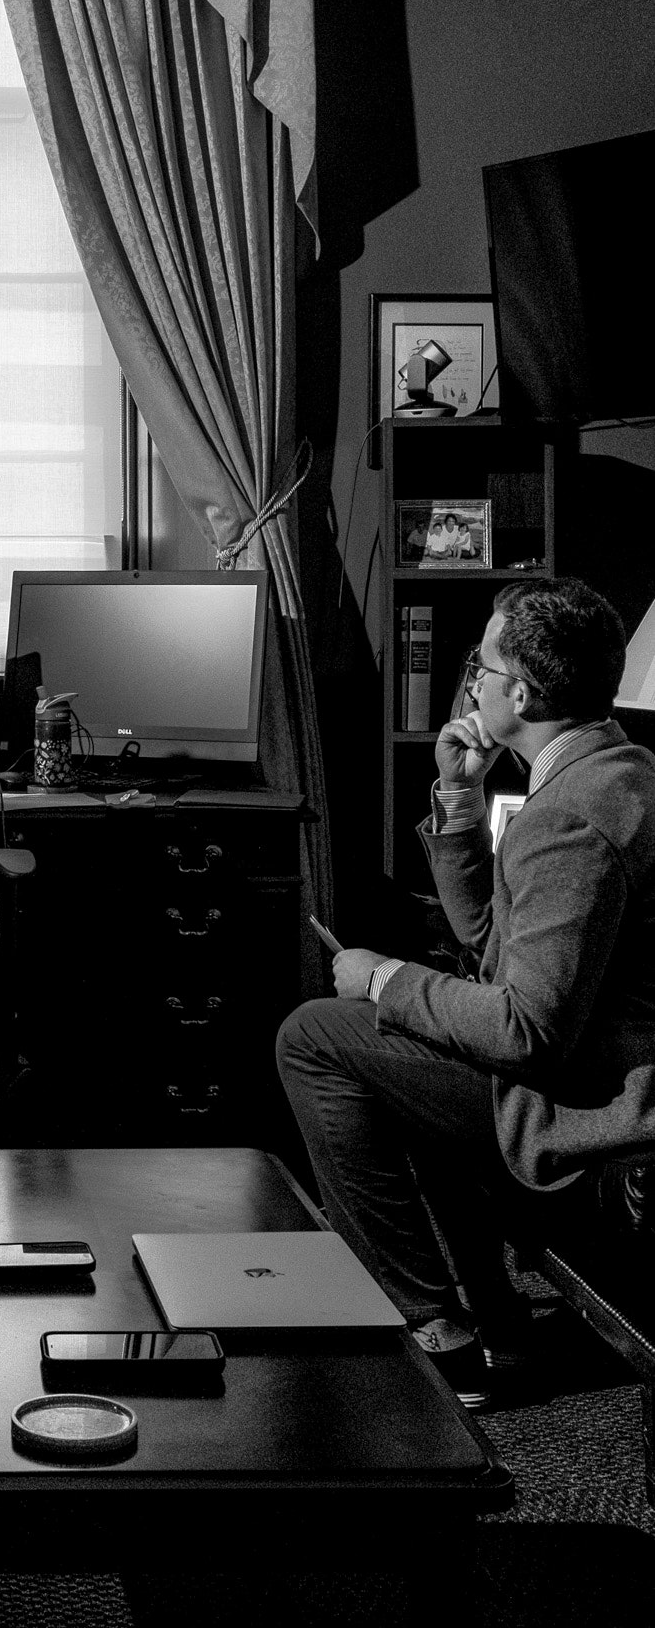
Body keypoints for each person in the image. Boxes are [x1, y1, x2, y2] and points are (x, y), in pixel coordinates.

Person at [277, 576, 655, 1407]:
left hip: (586, 1108)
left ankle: (439, 1333)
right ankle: (499, 1325)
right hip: (583, 1072)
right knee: (390, 1034)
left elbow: (526, 1029)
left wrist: (384, 978)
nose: (472, 682)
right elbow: (497, 947)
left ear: (520, 690)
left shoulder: (572, 816)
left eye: (479, 666)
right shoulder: (613, 770)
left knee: (315, 1036)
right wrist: (459, 799)